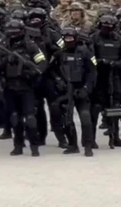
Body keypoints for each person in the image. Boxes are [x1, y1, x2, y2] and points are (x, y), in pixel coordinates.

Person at [0, 19, 47, 157]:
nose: (12, 35)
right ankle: (17, 146)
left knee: (30, 118)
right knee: (14, 117)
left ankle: (34, 146)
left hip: (27, 86)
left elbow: (42, 62)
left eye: (15, 32)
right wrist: (6, 60)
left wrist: (32, 71)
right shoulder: (3, 45)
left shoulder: (30, 45)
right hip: (10, 86)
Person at [49, 27, 96, 157]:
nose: (68, 41)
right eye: (66, 38)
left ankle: (88, 145)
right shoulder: (59, 54)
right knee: (67, 119)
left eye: (71, 38)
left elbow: (92, 72)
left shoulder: (85, 53)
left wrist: (86, 88)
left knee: (86, 118)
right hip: (65, 90)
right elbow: (50, 69)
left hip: (81, 89)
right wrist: (58, 80)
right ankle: (73, 145)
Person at [89, 15, 121, 149]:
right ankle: (91, 139)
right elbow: (88, 57)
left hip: (114, 76)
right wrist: (100, 62)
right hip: (98, 77)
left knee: (115, 108)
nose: (107, 30)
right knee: (95, 109)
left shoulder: (119, 39)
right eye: (105, 27)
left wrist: (116, 64)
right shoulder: (93, 38)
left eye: (110, 27)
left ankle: (115, 137)